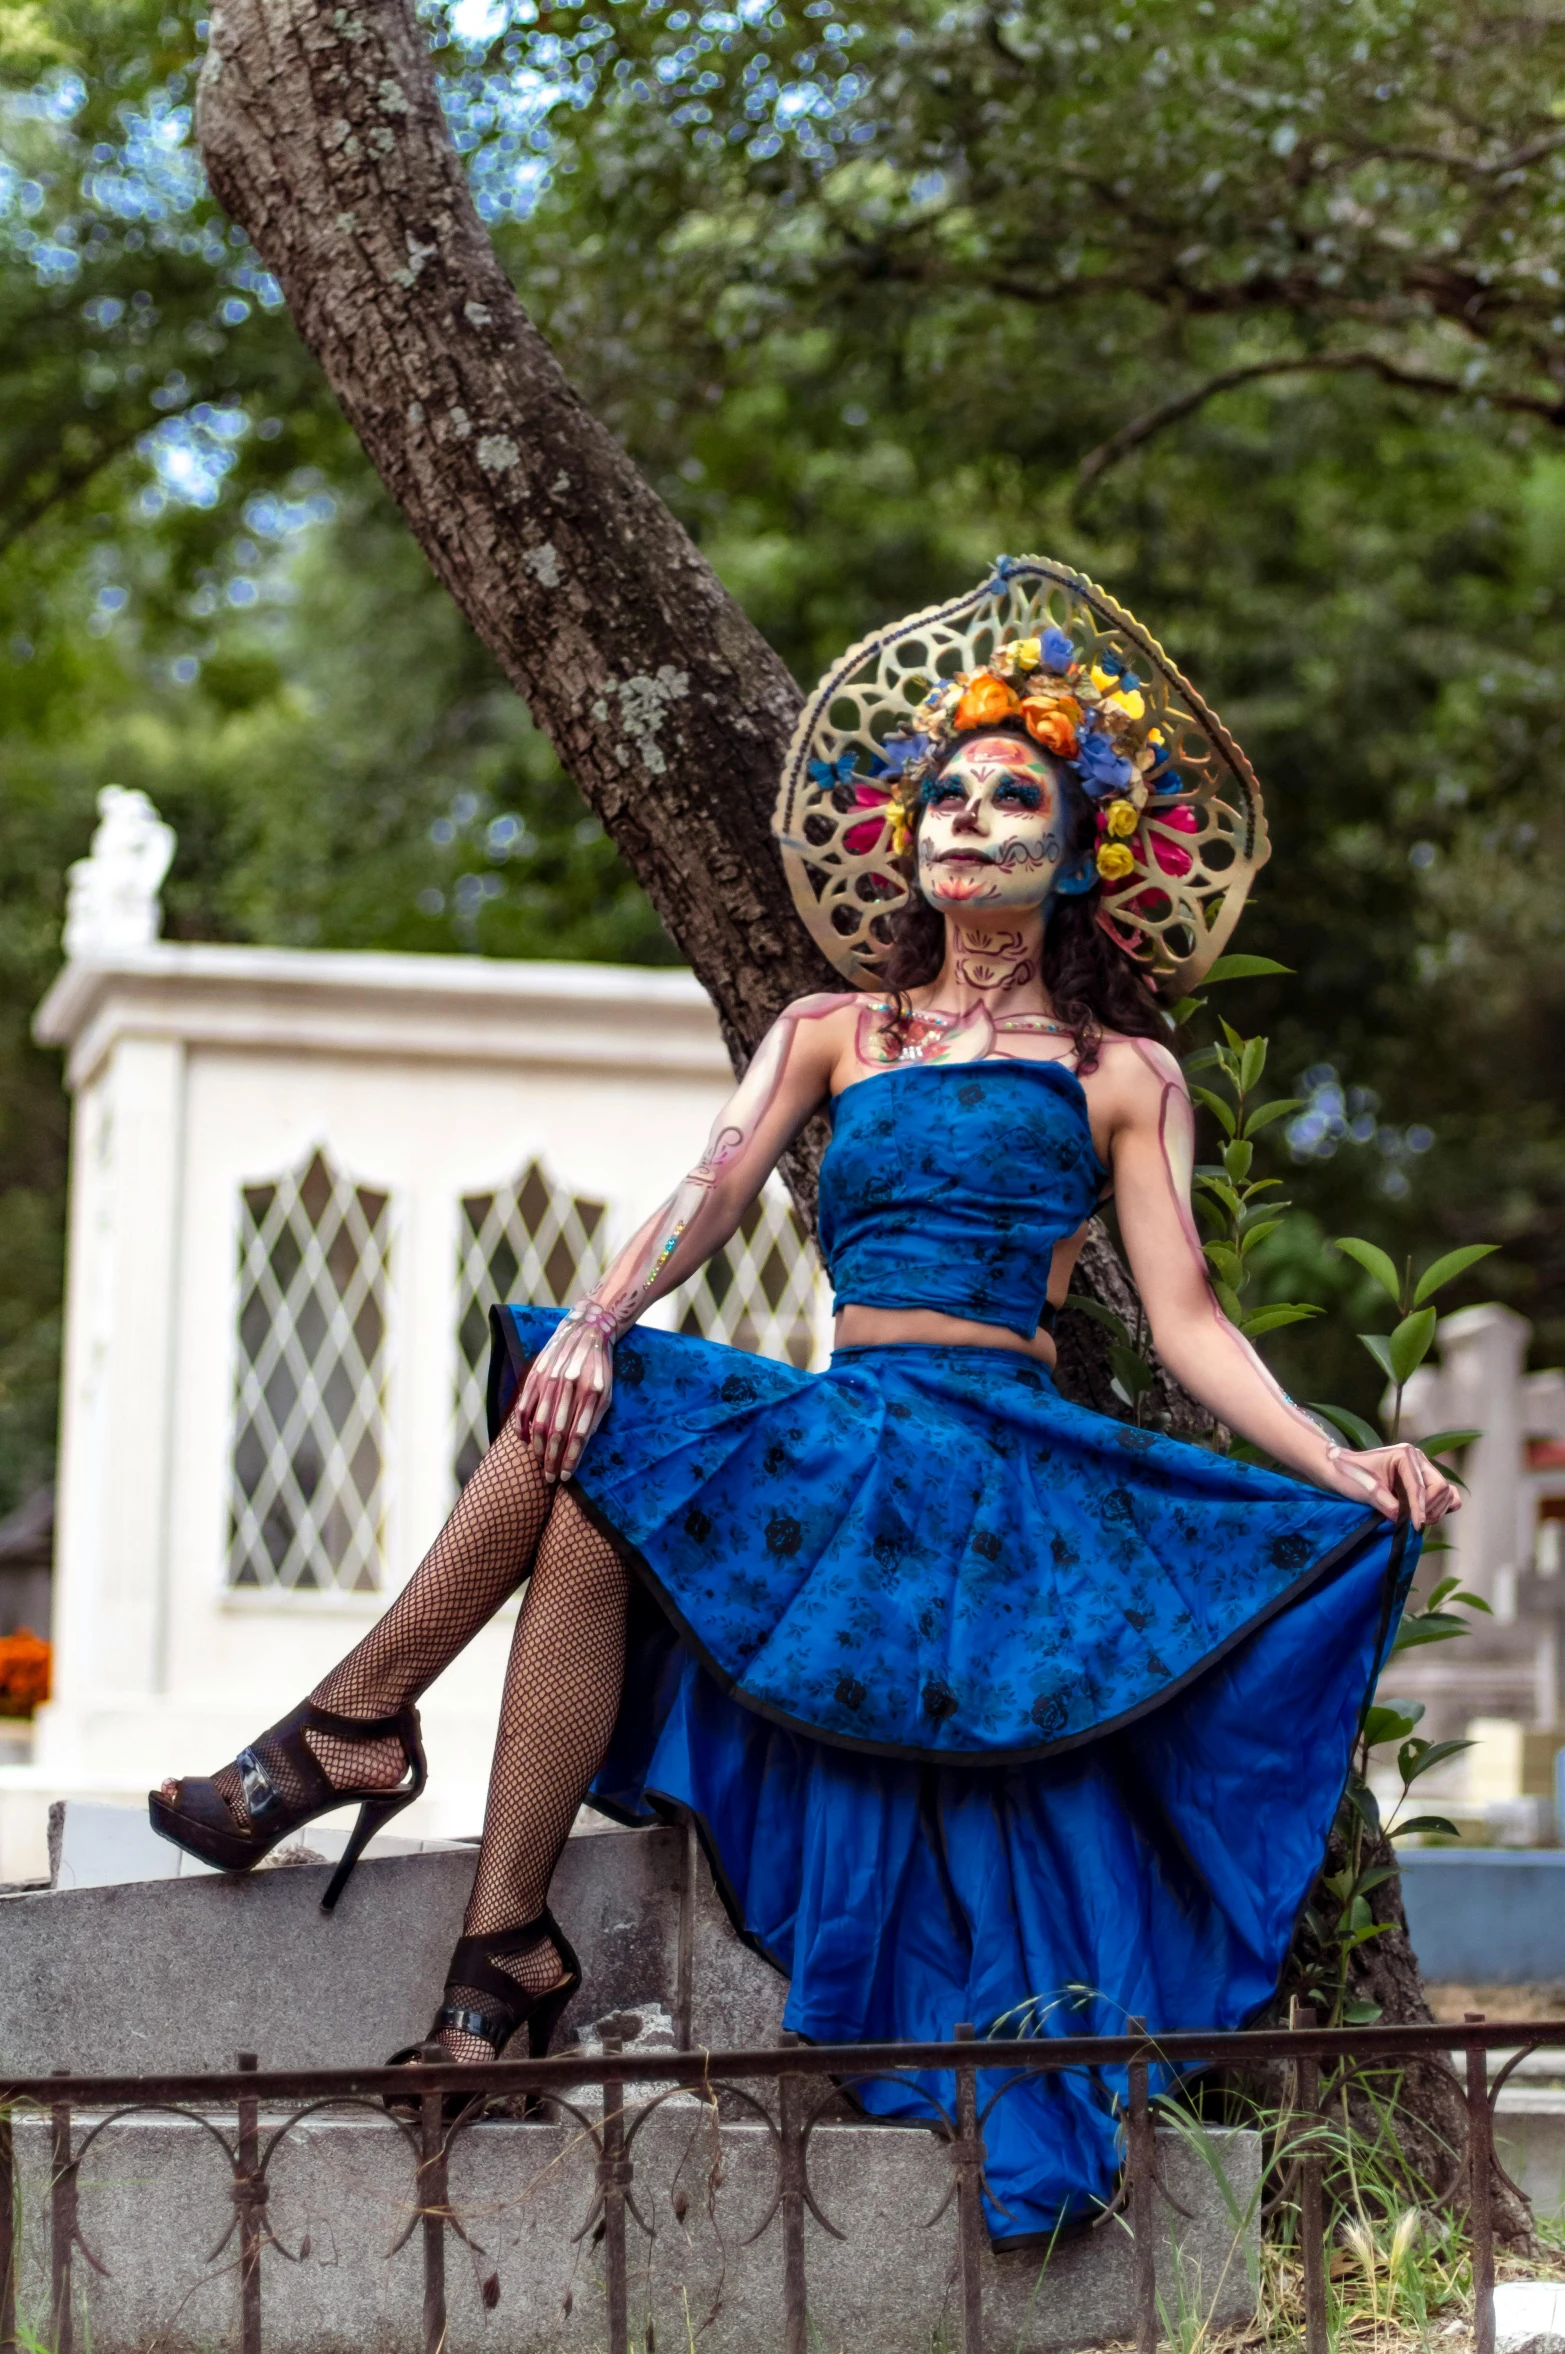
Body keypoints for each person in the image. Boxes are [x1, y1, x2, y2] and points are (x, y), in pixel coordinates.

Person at [151, 563, 1457, 2243]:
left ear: (1074, 854)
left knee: (596, 1489)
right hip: (854, 1427)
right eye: (949, 795)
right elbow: (702, 1197)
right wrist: (600, 1322)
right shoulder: (831, 1030)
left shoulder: (1119, 1074)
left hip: (993, 1453)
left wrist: (1335, 1453)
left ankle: (395, 1805)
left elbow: (1189, 1318)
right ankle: (459, 1880)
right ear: (907, 841)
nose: (970, 818)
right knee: (584, 1449)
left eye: (1014, 797)